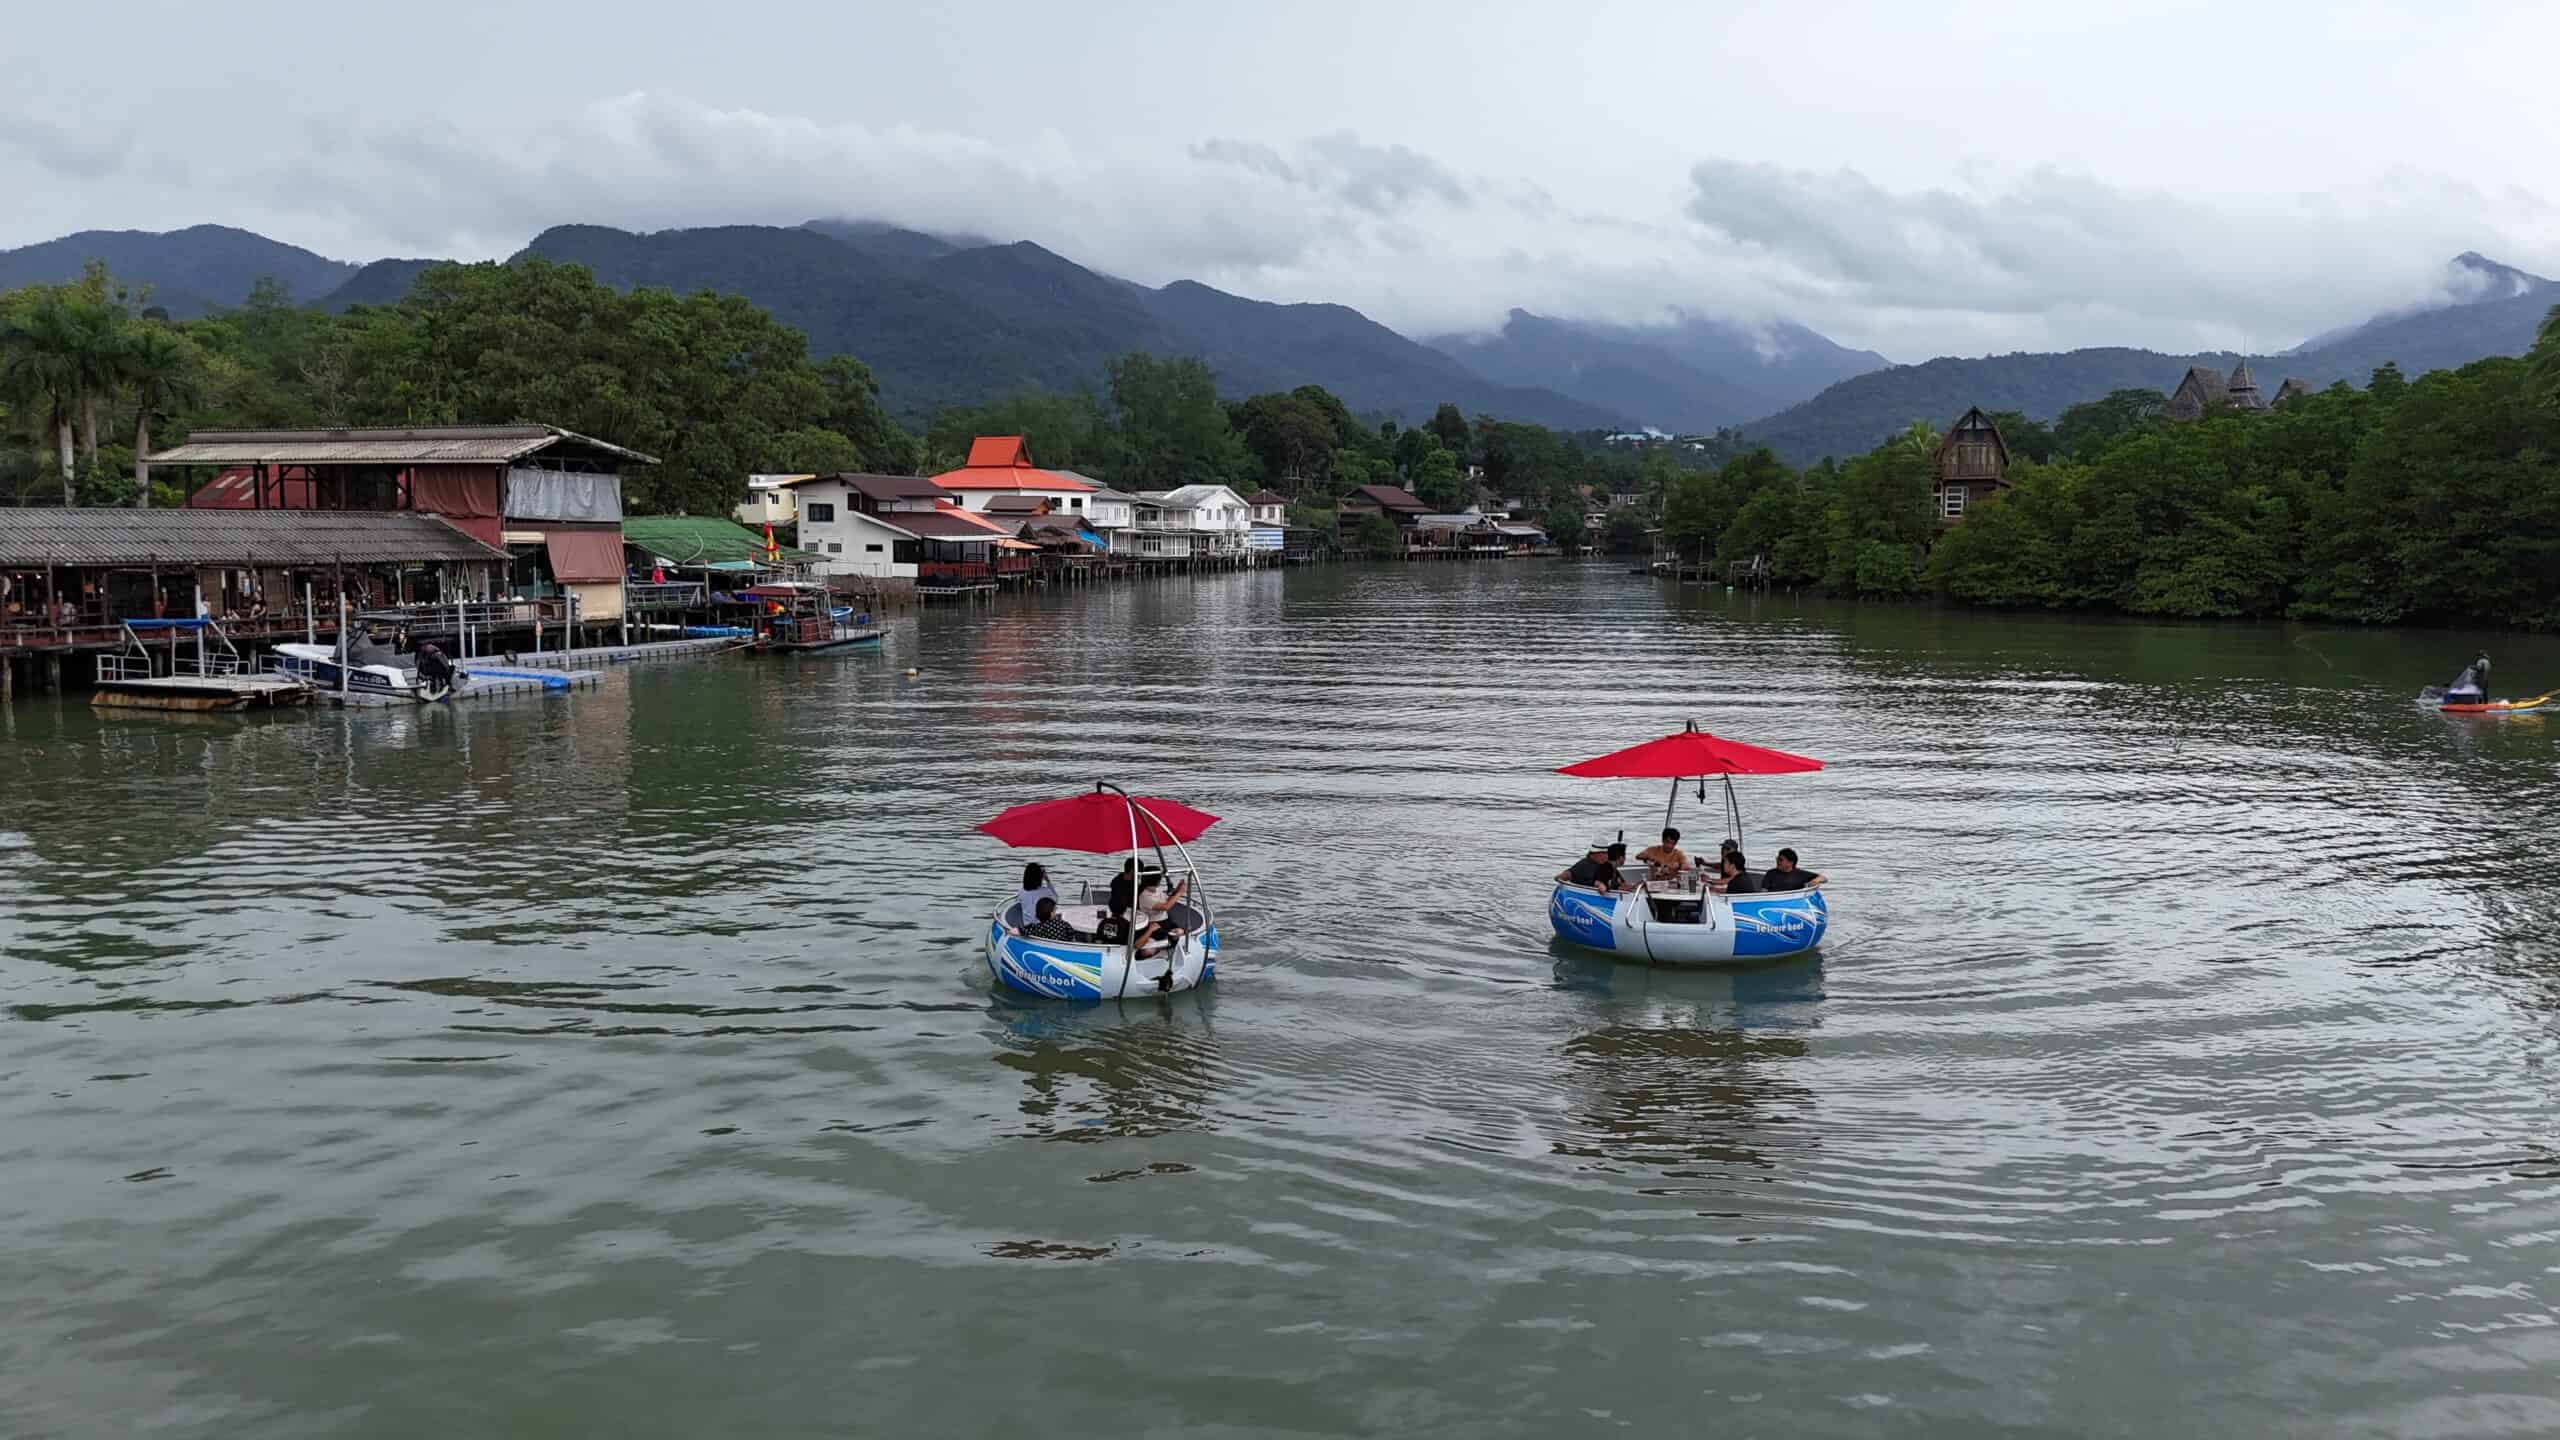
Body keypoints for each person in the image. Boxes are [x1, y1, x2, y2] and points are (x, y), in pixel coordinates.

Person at [1557, 840, 1626, 892]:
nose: (1606, 856)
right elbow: (1562, 876)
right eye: (1604, 853)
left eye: (1606, 853)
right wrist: (1599, 885)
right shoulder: (1585, 865)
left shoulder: (1606, 866)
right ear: (1595, 854)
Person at [1021, 897, 1090, 943]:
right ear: (1051, 913)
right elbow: (1073, 939)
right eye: (1055, 910)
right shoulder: (1064, 924)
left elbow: (1018, 931)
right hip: (1064, 949)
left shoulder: (1035, 927)